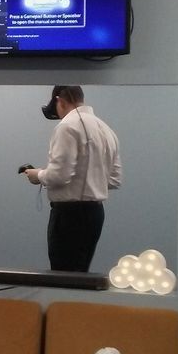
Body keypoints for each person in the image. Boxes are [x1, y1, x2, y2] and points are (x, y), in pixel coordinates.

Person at [24, 86, 121, 272]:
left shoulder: (67, 127)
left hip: (69, 216)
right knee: (79, 273)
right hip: (95, 214)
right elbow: (115, 178)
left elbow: (59, 175)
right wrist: (89, 181)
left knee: (63, 275)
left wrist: (38, 175)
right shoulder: (106, 129)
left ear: (59, 101)